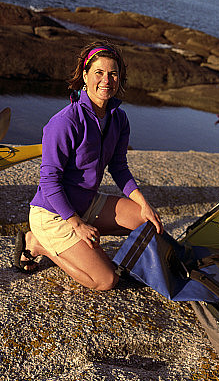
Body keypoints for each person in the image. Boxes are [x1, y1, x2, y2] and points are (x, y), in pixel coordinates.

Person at [13, 41, 163, 291]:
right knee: (106, 280)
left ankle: (71, 244)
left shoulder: (118, 119)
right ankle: (39, 243)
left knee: (149, 224)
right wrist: (77, 225)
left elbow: (119, 167)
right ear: (85, 75)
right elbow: (49, 181)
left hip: (88, 203)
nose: (107, 80)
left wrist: (143, 203)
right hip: (53, 213)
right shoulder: (64, 122)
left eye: (113, 73)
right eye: (99, 73)